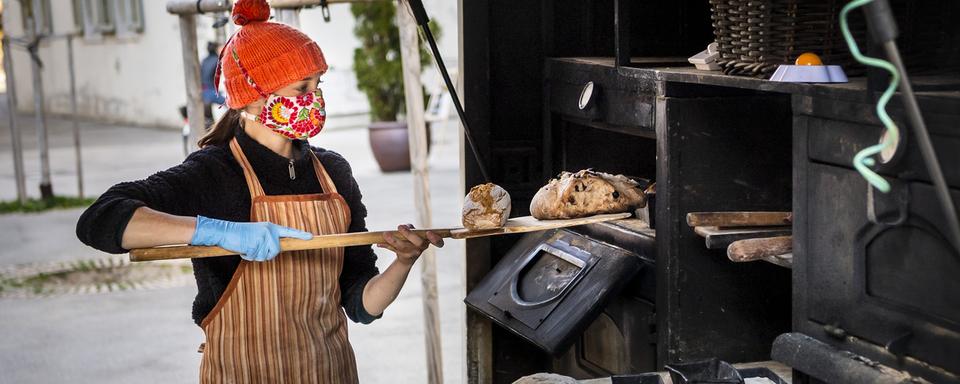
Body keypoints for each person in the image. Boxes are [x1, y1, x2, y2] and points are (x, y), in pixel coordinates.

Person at [75, 1, 443, 382]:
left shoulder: (333, 172)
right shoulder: (214, 171)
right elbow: (100, 220)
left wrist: (403, 262)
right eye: (302, 87)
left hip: (329, 373)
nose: (314, 98)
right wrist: (218, 233)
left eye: (318, 85)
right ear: (253, 97)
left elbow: (360, 304)